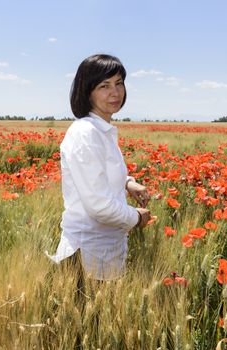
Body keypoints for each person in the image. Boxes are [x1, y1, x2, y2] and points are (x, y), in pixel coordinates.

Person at [46, 54, 151, 281]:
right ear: (87, 91)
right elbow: (99, 206)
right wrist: (136, 217)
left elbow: (100, 173)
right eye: (104, 86)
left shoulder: (101, 130)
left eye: (119, 83)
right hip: (88, 257)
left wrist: (128, 183)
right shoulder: (86, 133)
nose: (115, 92)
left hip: (105, 254)